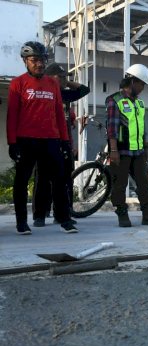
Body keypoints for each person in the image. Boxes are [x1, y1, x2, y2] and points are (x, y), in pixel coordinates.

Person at [6, 41, 77, 234]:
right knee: (22, 181)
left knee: (60, 180)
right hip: (26, 140)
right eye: (34, 60)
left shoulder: (53, 84)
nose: (39, 64)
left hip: (51, 140)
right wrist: (12, 143)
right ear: (25, 61)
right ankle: (22, 222)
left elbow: (59, 115)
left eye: (42, 60)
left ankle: (64, 219)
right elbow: (12, 116)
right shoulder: (17, 83)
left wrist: (64, 141)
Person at [32, 63, 90, 227]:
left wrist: (66, 82)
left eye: (66, 77)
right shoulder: (42, 93)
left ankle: (63, 214)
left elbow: (84, 90)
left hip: (64, 143)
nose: (65, 79)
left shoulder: (65, 95)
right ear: (50, 77)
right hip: (45, 141)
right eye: (61, 76)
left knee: (65, 180)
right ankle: (40, 215)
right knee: (42, 179)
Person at [106, 63, 148, 227]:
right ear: (132, 81)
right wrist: (114, 150)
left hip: (138, 151)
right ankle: (122, 214)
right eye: (141, 84)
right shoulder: (115, 101)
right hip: (121, 151)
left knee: (144, 184)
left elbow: (141, 126)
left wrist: (145, 146)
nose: (143, 88)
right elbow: (112, 128)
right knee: (120, 184)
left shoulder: (139, 103)